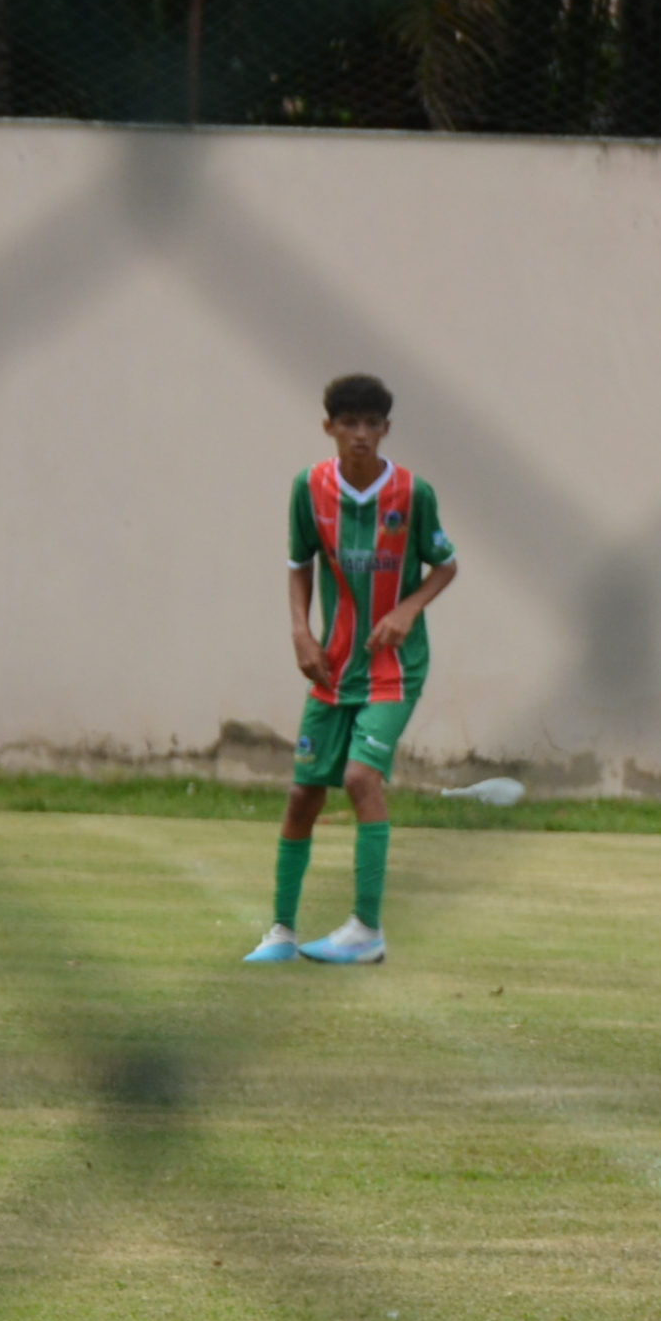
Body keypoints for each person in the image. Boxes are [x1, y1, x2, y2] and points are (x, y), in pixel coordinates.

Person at [251, 372, 458, 968]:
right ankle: (281, 933)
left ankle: (366, 930)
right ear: (330, 428)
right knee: (301, 795)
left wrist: (407, 609)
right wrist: (300, 630)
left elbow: (445, 565)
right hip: (334, 664)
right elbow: (299, 563)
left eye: (372, 424)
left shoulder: (414, 495)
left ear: (386, 430)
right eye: (349, 424)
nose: (361, 435)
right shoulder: (309, 487)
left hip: (394, 664)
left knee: (362, 780)